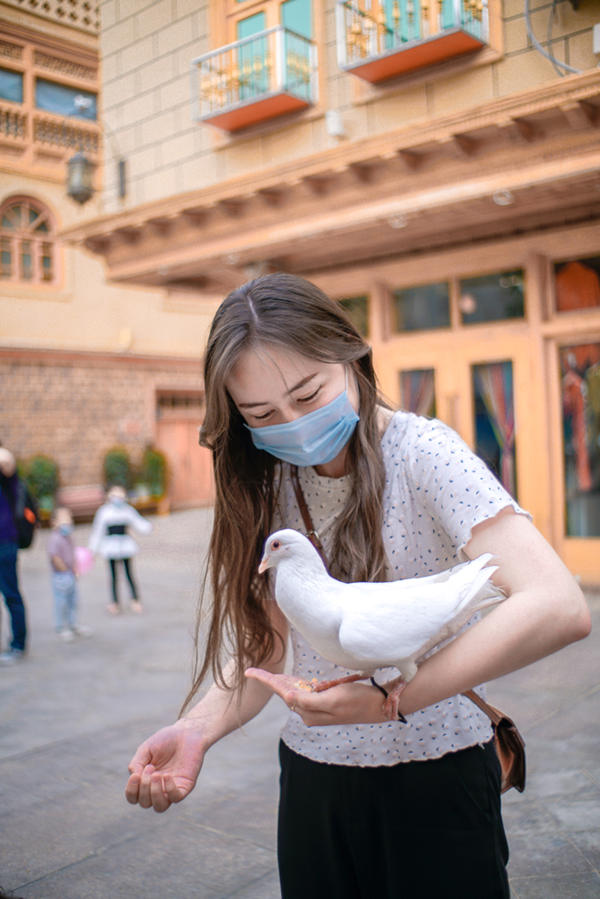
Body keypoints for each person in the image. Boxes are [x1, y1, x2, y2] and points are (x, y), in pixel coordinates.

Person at [125, 274, 591, 899]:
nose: (292, 424)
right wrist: (195, 729)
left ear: (352, 358)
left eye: (309, 392)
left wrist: (395, 698)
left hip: (439, 774)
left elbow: (557, 603)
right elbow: (265, 650)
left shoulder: (423, 453)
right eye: (262, 415)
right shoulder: (268, 483)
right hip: (315, 783)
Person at [88, 485, 152, 614]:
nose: (118, 499)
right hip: (110, 547)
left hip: (125, 546)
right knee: (113, 576)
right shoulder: (104, 512)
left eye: (120, 496)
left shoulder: (127, 510)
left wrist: (148, 527)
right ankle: (115, 602)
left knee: (129, 574)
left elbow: (138, 522)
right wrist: (92, 550)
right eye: (115, 496)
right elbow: (98, 531)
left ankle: (135, 599)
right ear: (109, 497)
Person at [46, 506, 92, 642]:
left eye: (69, 518)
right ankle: (61, 627)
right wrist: (65, 570)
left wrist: (75, 569)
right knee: (61, 602)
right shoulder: (55, 538)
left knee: (73, 601)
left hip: (71, 574)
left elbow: (73, 554)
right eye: (64, 519)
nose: (68, 522)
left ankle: (73, 624)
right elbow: (54, 557)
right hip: (61, 576)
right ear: (54, 522)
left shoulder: (68, 537)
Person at [0, 447, 28, 664]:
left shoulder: (5, 476)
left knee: (11, 595)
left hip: (5, 544)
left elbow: (7, 460)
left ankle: (18, 644)